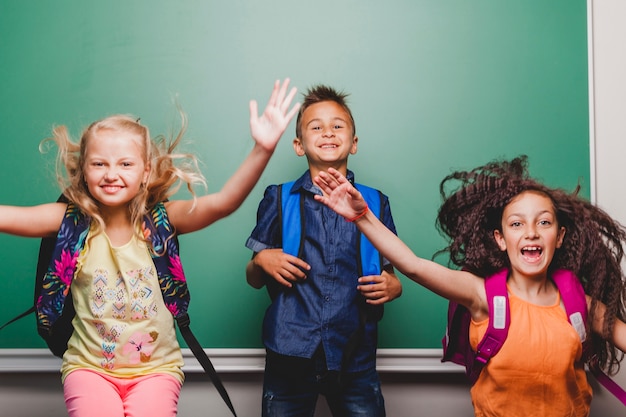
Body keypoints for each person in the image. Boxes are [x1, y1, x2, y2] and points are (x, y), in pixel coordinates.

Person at [0, 79, 300, 417]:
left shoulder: (163, 221)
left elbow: (224, 204)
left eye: (125, 164)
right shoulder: (66, 221)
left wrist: (263, 149)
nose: (111, 173)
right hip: (88, 370)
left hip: (156, 372)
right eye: (99, 163)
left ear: (146, 172)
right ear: (84, 171)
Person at [313, 156, 626, 417]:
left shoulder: (578, 304)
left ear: (559, 237)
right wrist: (363, 217)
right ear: (501, 239)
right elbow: (414, 266)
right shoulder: (483, 297)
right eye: (517, 224)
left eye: (543, 222)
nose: (531, 232)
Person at [245, 85, 402, 417]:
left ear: (354, 143)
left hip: (355, 352)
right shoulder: (278, 198)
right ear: (299, 145)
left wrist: (394, 284)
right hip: (289, 349)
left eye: (337, 125)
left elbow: (392, 269)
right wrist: (261, 259)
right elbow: (253, 279)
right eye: (316, 126)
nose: (327, 132)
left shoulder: (376, 202)